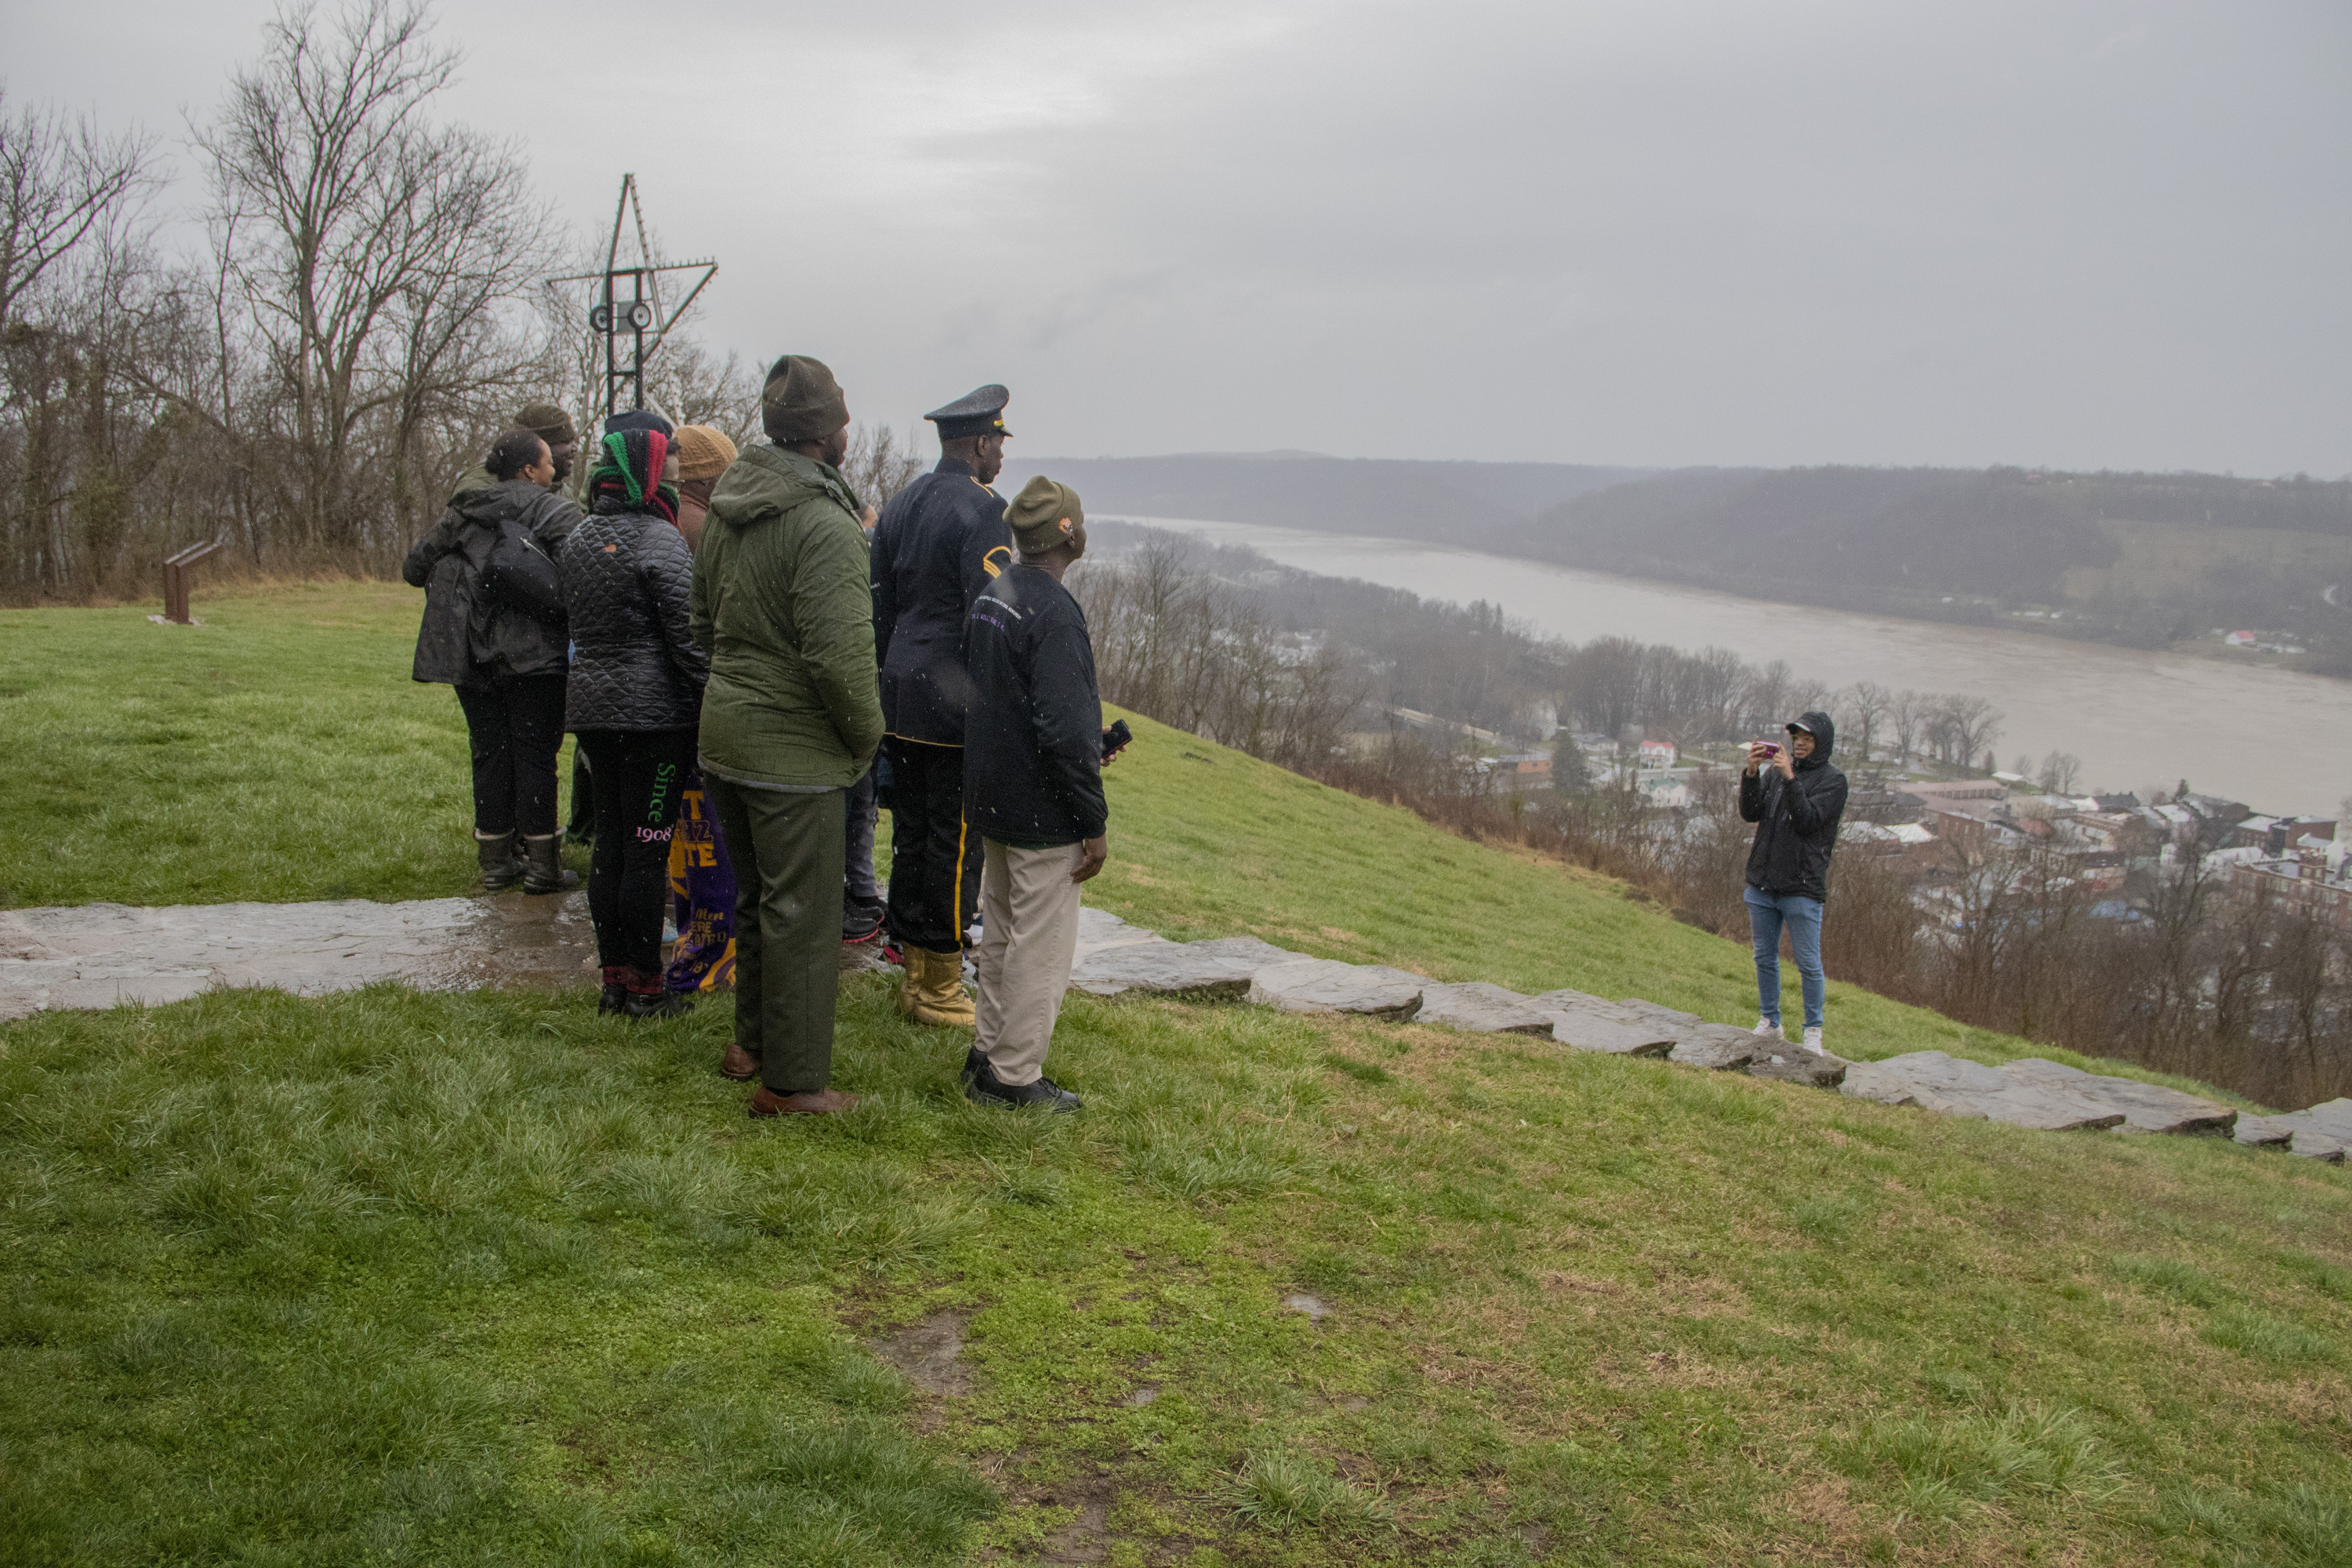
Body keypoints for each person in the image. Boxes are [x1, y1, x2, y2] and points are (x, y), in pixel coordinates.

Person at [692, 354, 883, 1116]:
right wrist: (865, 737)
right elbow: (841, 658)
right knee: (802, 917)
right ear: (828, 434)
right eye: (842, 419)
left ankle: (750, 1044)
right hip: (793, 757)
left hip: (726, 738)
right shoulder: (824, 525)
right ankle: (794, 1083)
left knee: (757, 901)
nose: (846, 431)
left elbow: (701, 623)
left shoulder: (730, 508)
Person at [960, 477, 1122, 1111]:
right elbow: (1061, 728)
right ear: (1068, 536)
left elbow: (1002, 702)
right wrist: (1093, 820)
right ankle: (1014, 1077)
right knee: (1040, 948)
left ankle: (986, 1054)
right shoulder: (1055, 612)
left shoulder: (994, 594)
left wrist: (1088, 740)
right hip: (1042, 811)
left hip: (993, 796)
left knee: (1000, 931)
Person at [869, 383, 1015, 1025]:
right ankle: (939, 986)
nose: (1002, 456)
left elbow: (880, 607)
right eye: (1000, 443)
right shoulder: (986, 510)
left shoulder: (902, 503)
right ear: (980, 443)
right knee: (956, 843)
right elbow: (988, 615)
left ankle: (913, 976)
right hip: (953, 703)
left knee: (912, 837)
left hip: (899, 695)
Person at [559, 424, 709, 1019]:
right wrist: (712, 693)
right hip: (655, 722)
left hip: (593, 712)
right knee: (648, 851)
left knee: (612, 849)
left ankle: (614, 980)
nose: (674, 468)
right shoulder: (660, 539)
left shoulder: (578, 537)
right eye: (666, 460)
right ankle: (647, 986)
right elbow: (687, 641)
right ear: (646, 471)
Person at [403, 427, 583, 894]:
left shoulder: (463, 512)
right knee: (536, 756)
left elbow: (412, 568)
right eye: (547, 463)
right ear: (529, 470)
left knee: (489, 753)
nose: (553, 470)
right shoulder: (553, 509)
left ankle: (497, 865)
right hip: (535, 657)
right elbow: (583, 570)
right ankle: (543, 868)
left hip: (471, 655)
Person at [1739, 710, 1847, 1054]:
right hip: (1763, 883)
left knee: (1808, 964)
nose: (1800, 744)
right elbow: (1750, 812)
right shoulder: (1774, 774)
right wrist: (1753, 773)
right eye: (1796, 738)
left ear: (1821, 744)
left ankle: (1813, 1031)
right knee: (1764, 957)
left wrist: (1789, 778)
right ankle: (1770, 1021)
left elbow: (1808, 820)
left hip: (1801, 887)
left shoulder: (1834, 781)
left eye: (1808, 739)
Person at [453, 404, 579, 499]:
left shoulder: (562, 493)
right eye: (566, 441)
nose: (575, 448)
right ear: (540, 445)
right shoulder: (482, 486)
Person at [670, 425, 738, 551]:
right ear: (705, 477)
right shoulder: (705, 529)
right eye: (728, 473)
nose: (733, 481)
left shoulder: (673, 511)